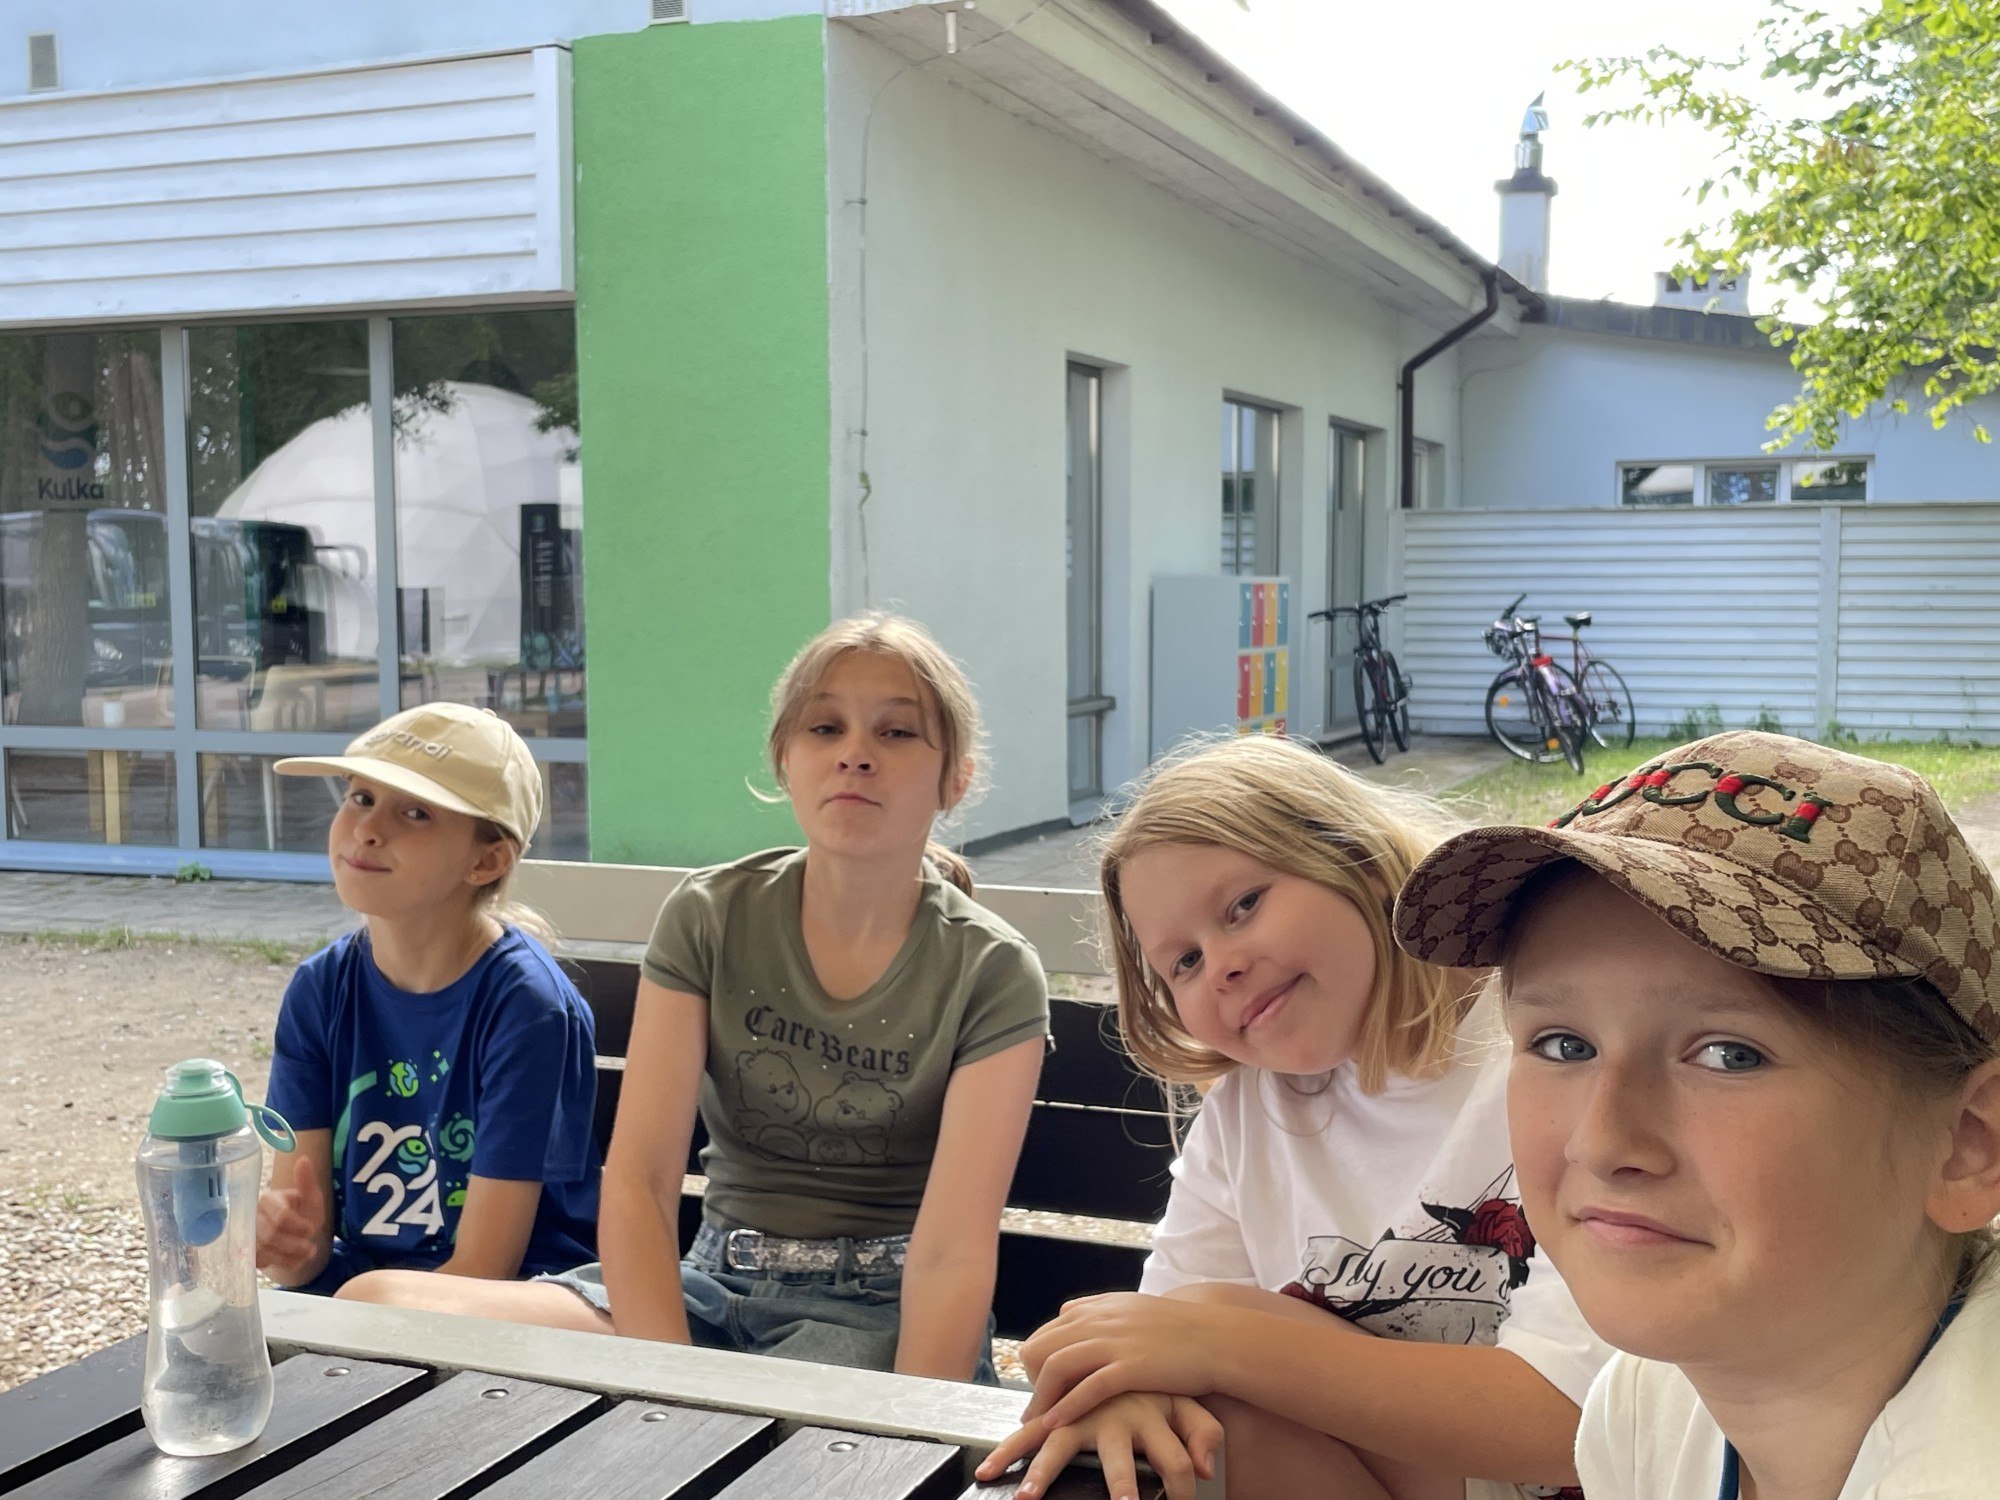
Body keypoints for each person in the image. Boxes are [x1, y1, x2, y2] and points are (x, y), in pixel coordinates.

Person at [350, 613, 1049, 1383]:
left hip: (882, 1318)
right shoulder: (711, 914)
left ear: (956, 778)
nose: (854, 753)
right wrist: (675, 1386)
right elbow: (641, 1184)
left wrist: (910, 1429)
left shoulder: (992, 971)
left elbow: (952, 1254)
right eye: (825, 728)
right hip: (704, 1292)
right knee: (373, 1306)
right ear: (784, 759)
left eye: (897, 733)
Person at [981, 734, 1606, 1500]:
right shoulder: (1247, 1109)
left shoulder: (1551, 1053)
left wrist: (1221, 1340)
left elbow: (1573, 1424)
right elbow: (1152, 1340)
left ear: (1358, 860)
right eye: (1184, 962)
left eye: (1244, 906)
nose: (1223, 965)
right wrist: (1132, 1386)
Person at [1395, 730, 2000, 1500]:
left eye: (1729, 1056)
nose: (1601, 1142)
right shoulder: (1644, 1405)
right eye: (1563, 1044)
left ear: (1968, 1145)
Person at [254, 702, 599, 1298]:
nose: (367, 829)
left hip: (511, 1301)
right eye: (361, 797)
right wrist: (281, 1243)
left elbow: (487, 1266)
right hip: (365, 1298)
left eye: (415, 812)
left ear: (486, 860)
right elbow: (301, 1257)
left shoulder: (528, 1009)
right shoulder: (320, 990)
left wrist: (355, 1300)